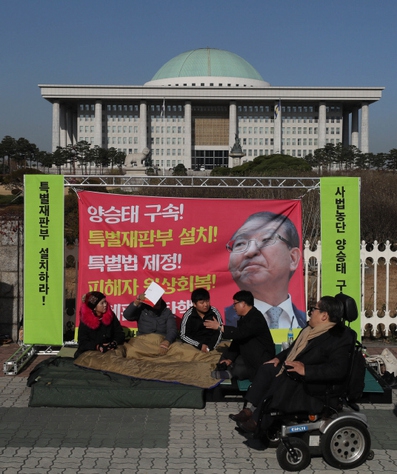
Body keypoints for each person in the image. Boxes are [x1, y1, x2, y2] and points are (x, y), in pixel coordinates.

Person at [229, 296, 353, 435]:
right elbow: (293, 348)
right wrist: (278, 358)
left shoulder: (339, 338)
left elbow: (338, 370)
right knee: (267, 368)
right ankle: (250, 410)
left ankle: (259, 419)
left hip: (316, 385)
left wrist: (306, 370)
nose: (311, 312)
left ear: (324, 316)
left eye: (314, 309)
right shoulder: (310, 330)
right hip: (296, 370)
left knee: (285, 377)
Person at [225, 211, 306, 329]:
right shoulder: (221, 319)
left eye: (266, 240)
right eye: (240, 243)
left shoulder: (307, 322)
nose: (250, 251)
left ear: (293, 258)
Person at [204, 290, 275, 381]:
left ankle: (230, 374)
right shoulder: (245, 317)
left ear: (243, 304)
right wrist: (229, 359)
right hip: (249, 356)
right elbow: (238, 339)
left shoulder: (256, 318)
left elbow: (240, 333)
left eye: (235, 304)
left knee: (239, 370)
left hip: (261, 360)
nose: (234, 307)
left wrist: (219, 327)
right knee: (225, 356)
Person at [74, 291, 125, 359]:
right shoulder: (85, 320)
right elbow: (83, 342)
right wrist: (98, 346)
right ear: (94, 307)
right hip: (91, 351)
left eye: (105, 302)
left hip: (109, 350)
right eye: (102, 303)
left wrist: (114, 343)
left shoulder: (110, 315)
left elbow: (119, 333)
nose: (105, 305)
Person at [180, 288, 223, 352]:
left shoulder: (214, 312)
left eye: (207, 301)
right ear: (194, 304)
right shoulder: (188, 315)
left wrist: (210, 347)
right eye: (202, 303)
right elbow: (183, 335)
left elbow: (220, 331)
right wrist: (199, 345)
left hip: (212, 346)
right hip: (194, 346)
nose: (205, 305)